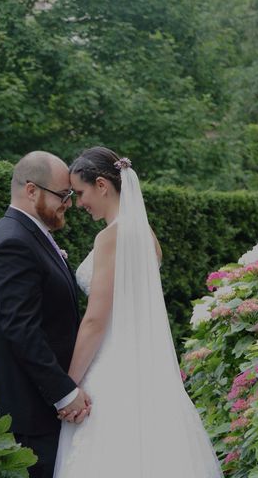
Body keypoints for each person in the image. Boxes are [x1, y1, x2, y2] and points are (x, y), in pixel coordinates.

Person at [53, 146, 222, 477]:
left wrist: (68, 384)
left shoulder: (110, 238)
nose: (78, 203)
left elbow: (96, 321)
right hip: (147, 368)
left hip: (111, 371)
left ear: (102, 185)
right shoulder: (147, 235)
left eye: (82, 192)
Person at [0, 151, 91, 478]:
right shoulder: (13, 242)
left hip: (37, 410)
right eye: (62, 194)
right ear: (31, 190)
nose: (68, 202)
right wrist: (64, 394)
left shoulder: (29, 235)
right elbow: (22, 331)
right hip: (26, 415)